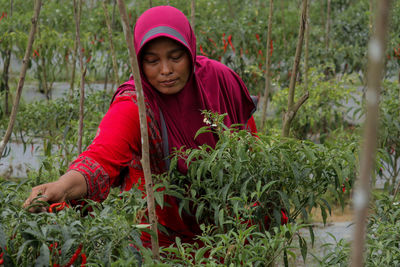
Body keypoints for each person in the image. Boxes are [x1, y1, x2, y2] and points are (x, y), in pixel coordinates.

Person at [23, 6, 258, 248]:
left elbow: (251, 149)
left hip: (229, 235)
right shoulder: (136, 104)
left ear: (190, 51)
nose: (166, 70)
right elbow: (100, 159)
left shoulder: (218, 80)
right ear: (139, 62)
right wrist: (61, 188)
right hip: (160, 242)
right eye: (152, 61)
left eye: (175, 57)